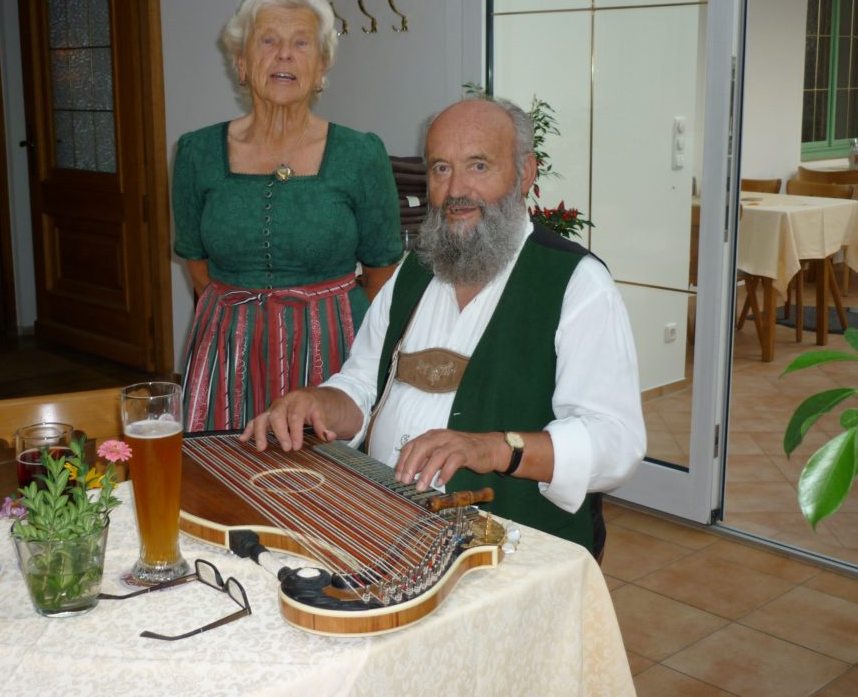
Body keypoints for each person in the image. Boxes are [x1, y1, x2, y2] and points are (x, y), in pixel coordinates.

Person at [243, 96, 646, 557]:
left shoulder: (576, 283)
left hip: (515, 555)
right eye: (440, 169)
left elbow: (616, 444)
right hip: (388, 528)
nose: (456, 191)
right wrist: (316, 404)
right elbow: (362, 386)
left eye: (478, 166)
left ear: (525, 174)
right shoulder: (414, 272)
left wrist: (495, 449)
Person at [173, 0, 403, 431]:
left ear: (320, 69)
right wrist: (242, 317)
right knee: (225, 482)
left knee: (323, 488)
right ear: (242, 64)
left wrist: (327, 321)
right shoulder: (196, 152)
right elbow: (196, 263)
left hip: (331, 351)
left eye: (301, 43)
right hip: (226, 352)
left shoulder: (360, 154)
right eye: (268, 41)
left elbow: (383, 273)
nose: (284, 54)